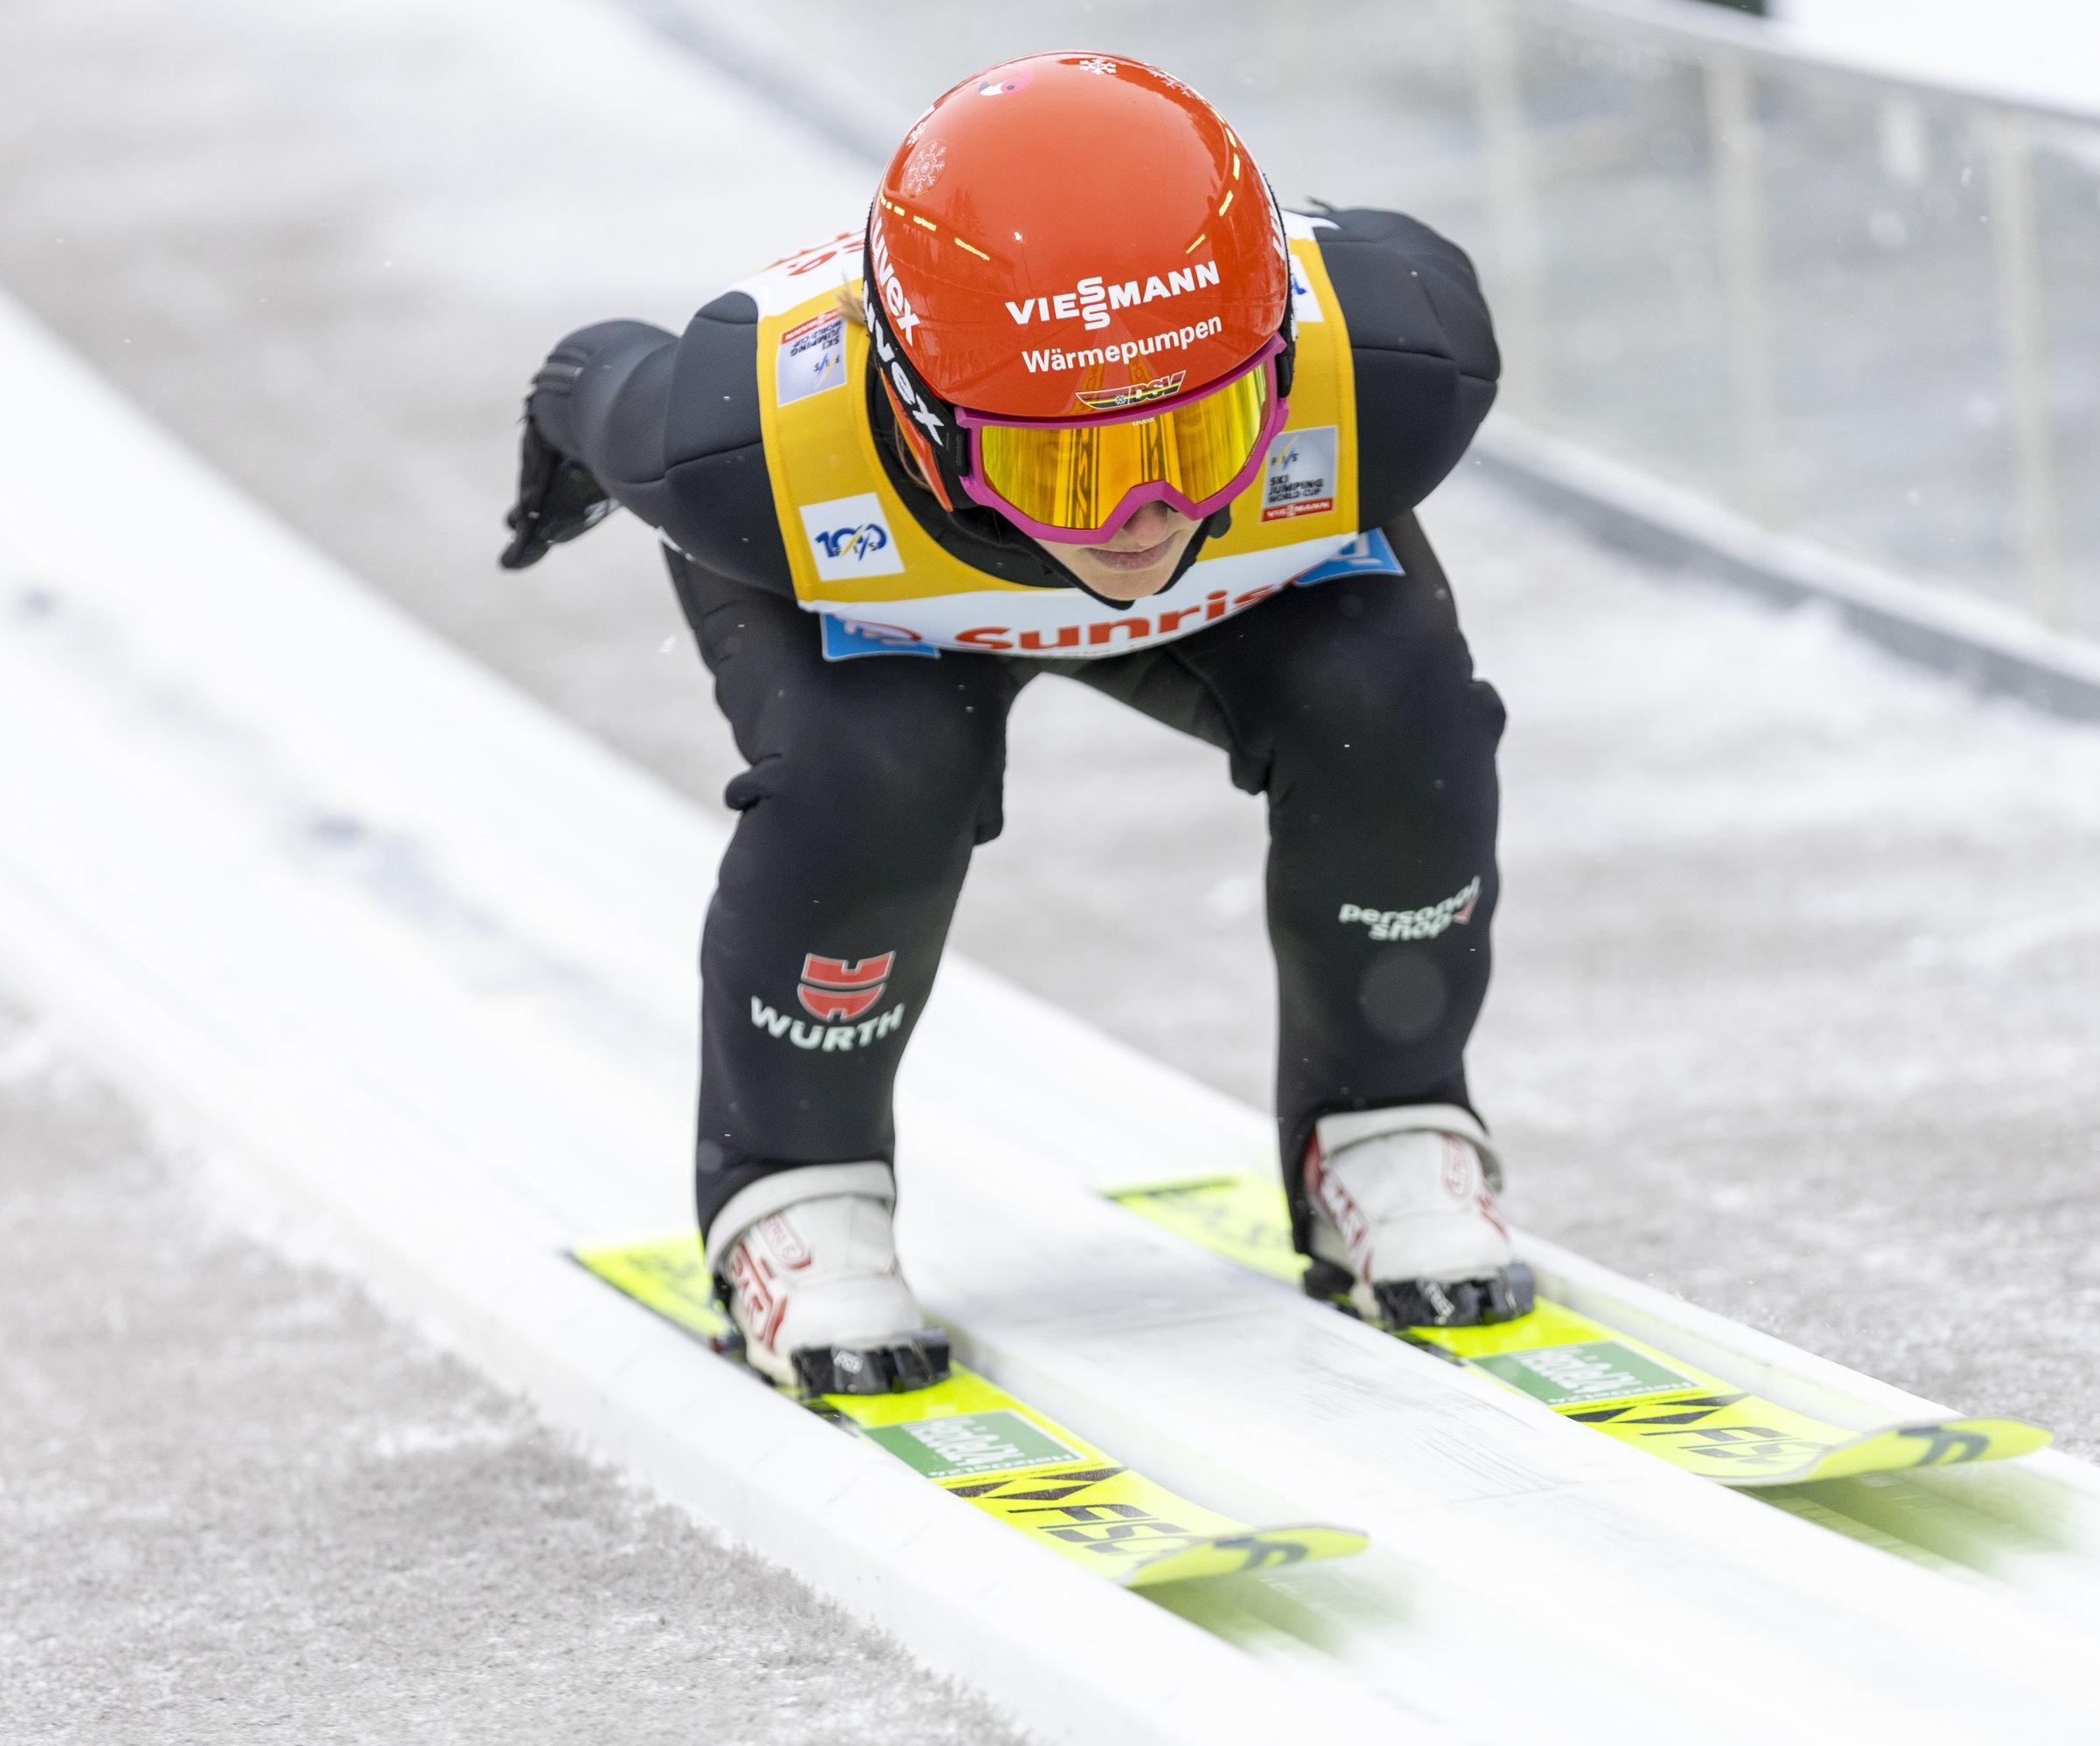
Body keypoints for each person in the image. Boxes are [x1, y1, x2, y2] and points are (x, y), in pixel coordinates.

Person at [500, 52, 1521, 1395]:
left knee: (1396, 707)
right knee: (873, 776)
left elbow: (1384, 255)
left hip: (1253, 574)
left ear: (1280, 365)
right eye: (1069, 464)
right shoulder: (738, 448)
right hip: (884, 598)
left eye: (1200, 433)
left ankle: (1386, 1119)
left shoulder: (1395, 367)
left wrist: (1096, 450)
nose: (1144, 519)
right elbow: (597, 376)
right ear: (919, 415)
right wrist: (566, 441)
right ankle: (796, 1191)